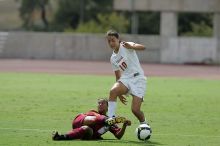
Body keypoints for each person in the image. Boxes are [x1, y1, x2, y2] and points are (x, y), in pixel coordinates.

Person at [106, 29, 149, 125]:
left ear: (118, 39)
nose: (111, 43)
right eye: (109, 41)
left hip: (138, 79)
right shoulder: (113, 58)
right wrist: (119, 93)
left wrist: (132, 46)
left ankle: (144, 123)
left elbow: (143, 47)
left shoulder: (126, 45)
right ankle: (110, 118)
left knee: (135, 110)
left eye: (113, 40)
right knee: (113, 91)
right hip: (126, 79)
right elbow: (118, 77)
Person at [52, 98, 131, 140]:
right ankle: (107, 121)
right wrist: (116, 120)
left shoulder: (110, 124)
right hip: (79, 121)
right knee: (98, 119)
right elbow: (98, 119)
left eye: (102, 103)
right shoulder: (93, 112)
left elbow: (118, 136)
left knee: (88, 129)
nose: (100, 105)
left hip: (86, 131)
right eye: (99, 103)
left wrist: (124, 125)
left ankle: (60, 137)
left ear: (108, 107)